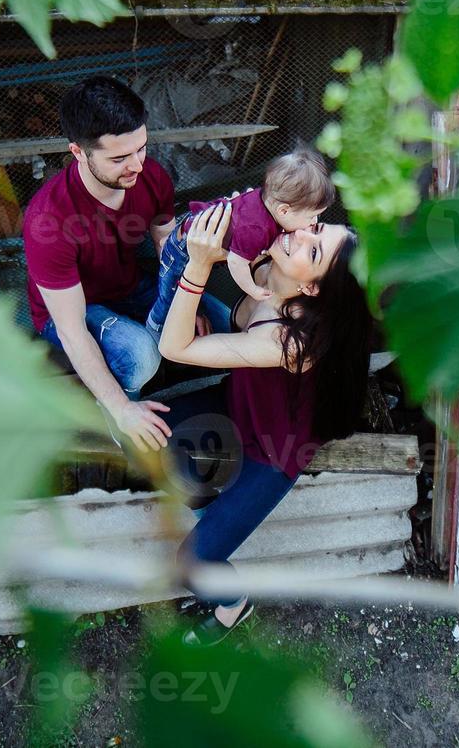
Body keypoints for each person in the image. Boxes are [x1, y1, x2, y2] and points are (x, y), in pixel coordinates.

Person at [155, 200, 373, 647]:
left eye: (314, 252)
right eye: (319, 228)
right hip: (238, 403)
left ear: (311, 290)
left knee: (193, 562)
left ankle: (233, 604)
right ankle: (212, 508)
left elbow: (174, 348)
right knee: (150, 436)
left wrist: (196, 270)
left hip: (272, 452)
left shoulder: (290, 342)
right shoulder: (269, 256)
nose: (302, 235)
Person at [23, 76, 232, 449]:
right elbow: (71, 330)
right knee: (140, 356)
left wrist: (189, 300)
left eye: (142, 148)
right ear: (78, 152)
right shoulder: (48, 221)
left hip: (130, 286)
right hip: (73, 309)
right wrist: (120, 408)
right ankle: (124, 422)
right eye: (119, 158)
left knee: (225, 322)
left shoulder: (150, 177)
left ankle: (242, 411)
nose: (136, 165)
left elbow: (168, 245)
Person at [144, 148, 335, 337]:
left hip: (191, 227)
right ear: (283, 211)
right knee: (169, 295)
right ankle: (155, 326)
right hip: (182, 251)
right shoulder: (257, 229)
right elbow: (236, 262)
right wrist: (252, 289)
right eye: (312, 216)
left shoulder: (267, 201)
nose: (313, 223)